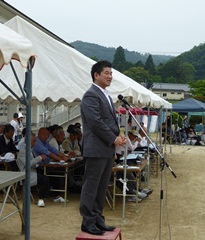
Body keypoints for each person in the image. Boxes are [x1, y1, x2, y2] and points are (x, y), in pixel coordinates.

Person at [79, 60, 126, 235]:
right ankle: (87, 221)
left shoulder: (106, 95)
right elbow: (95, 122)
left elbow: (109, 122)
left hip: (106, 148)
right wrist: (113, 139)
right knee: (91, 185)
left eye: (111, 73)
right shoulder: (91, 95)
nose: (110, 76)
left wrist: (118, 137)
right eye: (106, 73)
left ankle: (98, 219)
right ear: (96, 75)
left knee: (101, 186)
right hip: (96, 148)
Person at [16, 132, 51, 207]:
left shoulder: (29, 149)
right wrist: (40, 158)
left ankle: (50, 195)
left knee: (50, 173)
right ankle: (41, 199)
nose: (35, 143)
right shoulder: (23, 151)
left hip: (33, 170)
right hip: (27, 173)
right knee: (44, 179)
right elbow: (28, 164)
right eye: (33, 141)